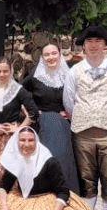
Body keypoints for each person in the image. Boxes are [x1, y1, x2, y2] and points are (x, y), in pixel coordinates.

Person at [64, 26, 107, 210]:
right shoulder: (74, 70)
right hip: (83, 132)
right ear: (83, 46)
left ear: (105, 45)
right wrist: (84, 115)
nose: (93, 45)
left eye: (98, 41)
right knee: (85, 178)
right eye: (89, 41)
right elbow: (69, 100)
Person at [23, 41, 78, 193]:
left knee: (62, 159)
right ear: (42, 57)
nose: (50, 57)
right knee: (45, 159)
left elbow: (80, 97)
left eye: (54, 53)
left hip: (63, 125)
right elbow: (18, 92)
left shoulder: (69, 75)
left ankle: (64, 194)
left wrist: (72, 113)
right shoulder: (35, 76)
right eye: (46, 54)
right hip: (42, 124)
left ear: (60, 55)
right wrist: (31, 111)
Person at [0, 58, 38, 194]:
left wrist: (19, 129)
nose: (2, 74)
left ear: (10, 71)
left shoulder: (18, 90)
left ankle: (11, 200)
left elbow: (33, 112)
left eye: (5, 71)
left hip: (10, 138)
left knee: (7, 171)